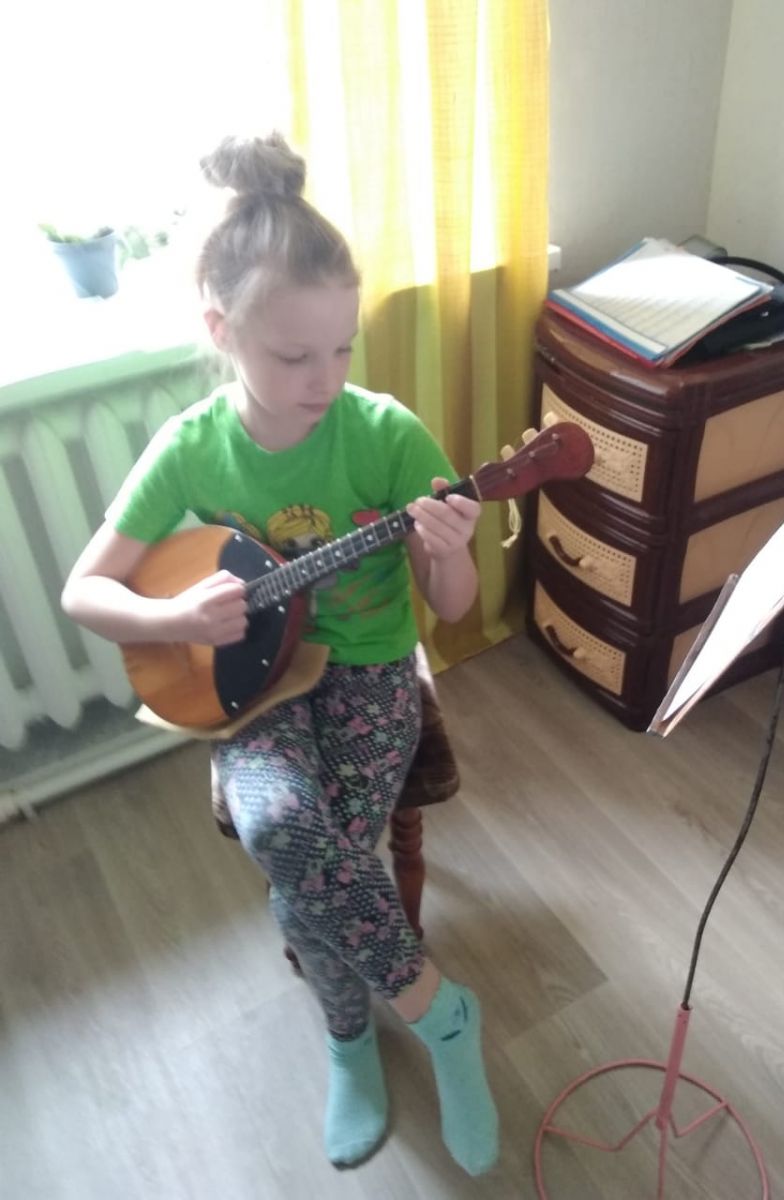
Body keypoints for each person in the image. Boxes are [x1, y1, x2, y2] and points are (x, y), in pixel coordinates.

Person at [61, 132, 499, 1175]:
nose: (325, 379)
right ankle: (429, 1016)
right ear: (222, 331)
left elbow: (454, 605)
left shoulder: (386, 435)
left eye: (342, 349)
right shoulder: (191, 448)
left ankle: (355, 1036)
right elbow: (85, 590)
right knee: (276, 821)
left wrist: (449, 551)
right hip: (251, 683)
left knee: (315, 851)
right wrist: (177, 621)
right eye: (294, 357)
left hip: (370, 668)